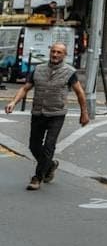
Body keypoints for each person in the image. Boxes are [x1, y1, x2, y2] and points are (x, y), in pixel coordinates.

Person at [5, 41, 90, 190]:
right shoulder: (38, 69)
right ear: (50, 52)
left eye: (59, 52)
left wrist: (84, 113)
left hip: (57, 114)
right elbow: (25, 88)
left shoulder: (70, 72)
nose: (55, 55)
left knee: (49, 146)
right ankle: (50, 165)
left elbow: (80, 93)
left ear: (65, 55)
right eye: (53, 51)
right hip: (38, 113)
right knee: (34, 146)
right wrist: (13, 102)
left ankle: (37, 177)